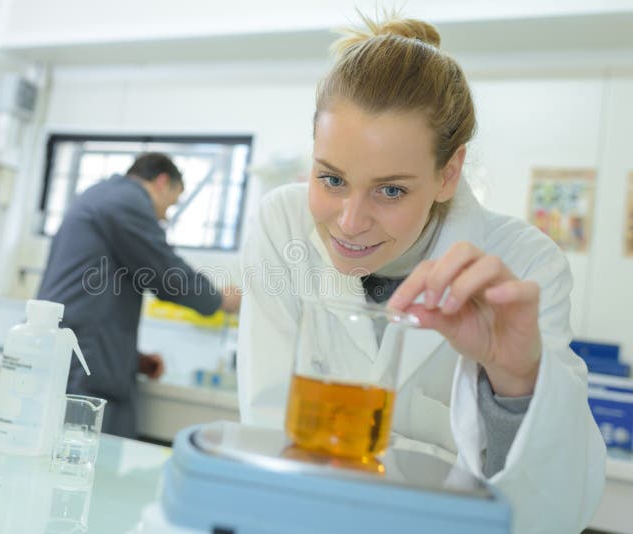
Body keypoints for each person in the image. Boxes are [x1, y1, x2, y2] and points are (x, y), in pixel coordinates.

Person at [237, 15, 604, 534]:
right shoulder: (284, 224)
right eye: (332, 178)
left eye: (391, 190)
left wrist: (515, 385)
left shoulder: (523, 263)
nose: (350, 221)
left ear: (448, 173)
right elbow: (268, 429)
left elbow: (555, 508)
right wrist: (438, 462)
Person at [38, 152, 240, 438]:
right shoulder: (126, 202)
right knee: (84, 459)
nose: (165, 215)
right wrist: (219, 300)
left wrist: (134, 358)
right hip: (82, 360)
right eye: (172, 203)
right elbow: (165, 271)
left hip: (74, 349)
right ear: (161, 182)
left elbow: (94, 296)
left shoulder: (98, 196)